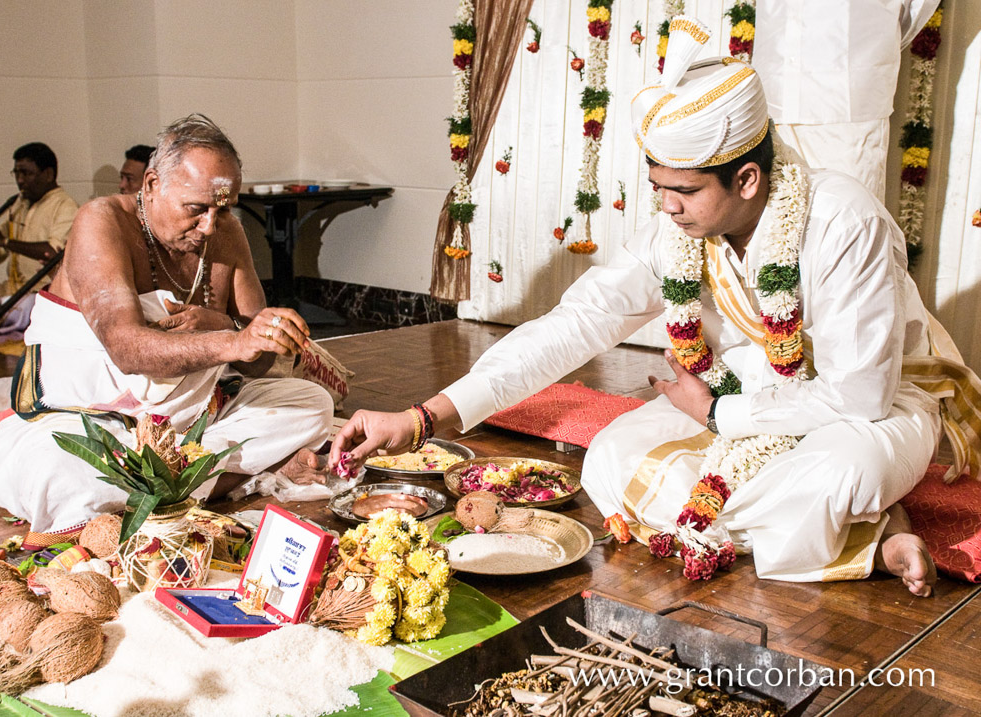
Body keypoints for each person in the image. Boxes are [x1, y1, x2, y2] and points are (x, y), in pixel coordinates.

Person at [331, 18, 981, 598]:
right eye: (658, 187)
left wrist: (719, 412)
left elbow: (861, 396)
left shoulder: (844, 223)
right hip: (746, 396)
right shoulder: (678, 231)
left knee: (838, 474)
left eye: (684, 190)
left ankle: (874, 522)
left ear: (747, 179)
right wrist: (424, 416)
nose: (666, 206)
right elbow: (576, 323)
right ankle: (861, 530)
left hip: (869, 406)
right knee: (610, 459)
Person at [0, 114, 333, 546]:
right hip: (90, 420)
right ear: (150, 185)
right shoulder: (102, 221)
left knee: (311, 404)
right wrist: (231, 340)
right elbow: (127, 350)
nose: (209, 225)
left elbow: (257, 362)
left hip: (187, 426)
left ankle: (160, 487)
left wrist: (233, 328)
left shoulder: (225, 232)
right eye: (196, 209)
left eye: (223, 208)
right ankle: (213, 481)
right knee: (59, 468)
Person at [751, 0, 941, 201]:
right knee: (771, 222)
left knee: (850, 215)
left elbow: (917, 7)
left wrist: (866, 52)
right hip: (773, 94)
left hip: (845, 103)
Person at [0, 142, 78, 340]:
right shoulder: (19, 203)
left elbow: (51, 252)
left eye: (26, 173)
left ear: (48, 174)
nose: (20, 180)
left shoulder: (66, 206)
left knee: (25, 307)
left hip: (40, 292)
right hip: (11, 289)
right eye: (16, 173)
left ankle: (1, 315)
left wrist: (5, 241)